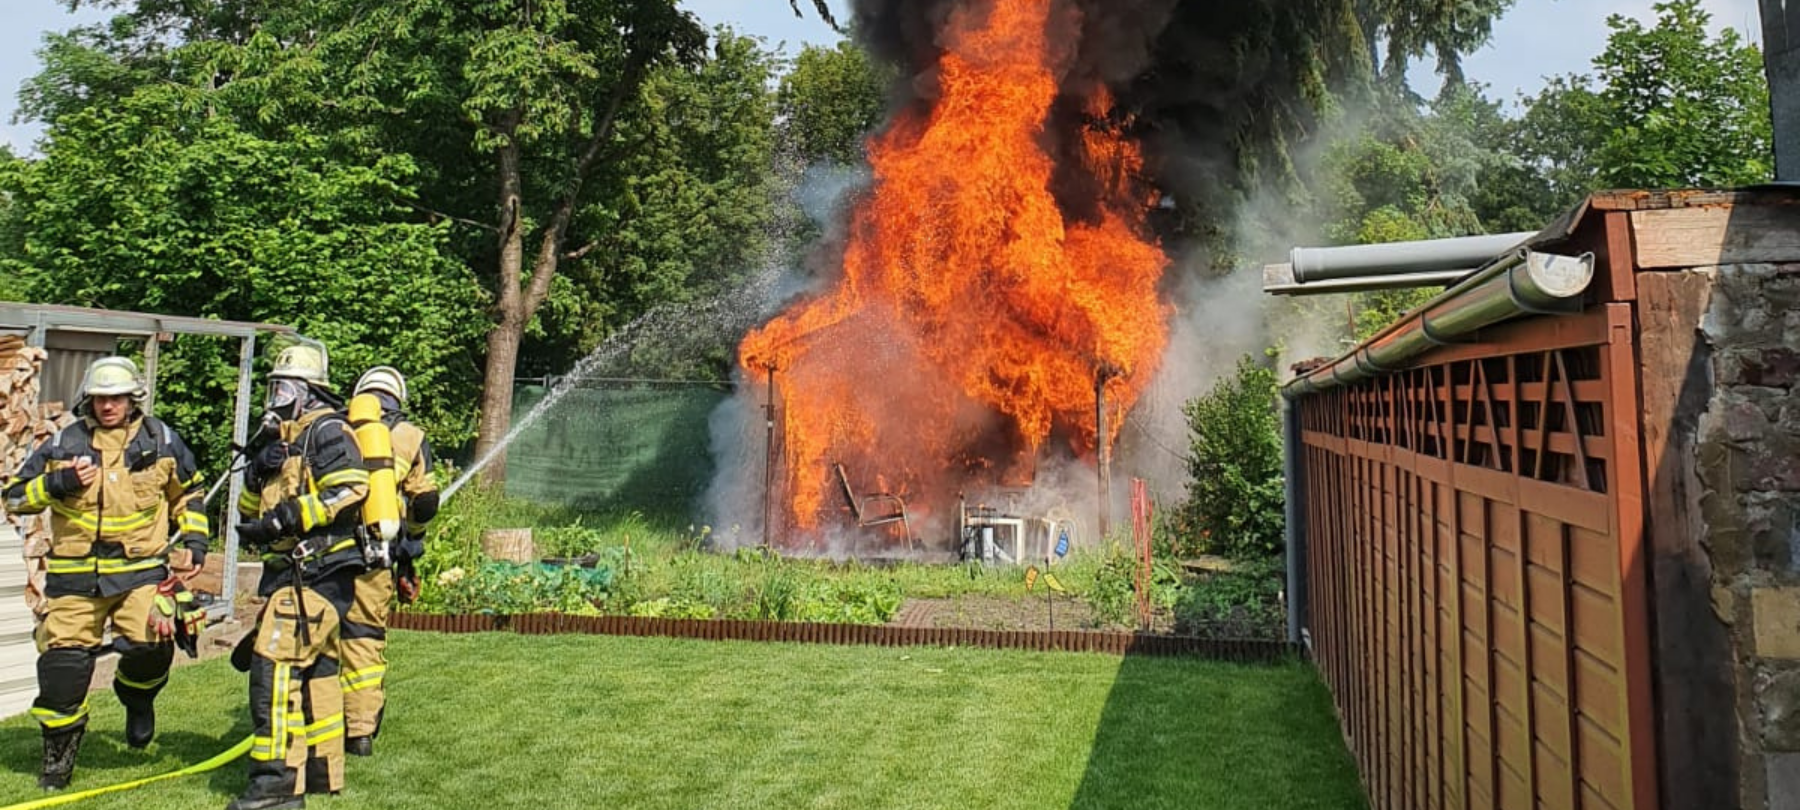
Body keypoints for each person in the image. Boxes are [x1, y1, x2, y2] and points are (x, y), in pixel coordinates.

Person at [3, 356, 208, 790]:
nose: (107, 406)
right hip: (74, 579)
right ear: (88, 400)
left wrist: (194, 542)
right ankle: (58, 762)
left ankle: (137, 699)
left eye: (115, 398)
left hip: (140, 573)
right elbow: (15, 497)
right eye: (99, 398)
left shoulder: (162, 440)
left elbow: (189, 495)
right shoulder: (63, 443)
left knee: (151, 644)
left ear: (133, 398)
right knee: (62, 668)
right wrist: (59, 484)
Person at [228, 343, 368, 810]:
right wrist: (255, 474)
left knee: (274, 669)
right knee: (318, 675)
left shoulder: (328, 431)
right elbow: (252, 513)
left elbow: (352, 490)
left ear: (308, 392)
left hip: (320, 569)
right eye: (273, 387)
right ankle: (320, 771)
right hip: (288, 574)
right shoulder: (279, 442)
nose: (275, 397)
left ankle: (274, 786)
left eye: (283, 387)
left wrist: (289, 517)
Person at [340, 365, 438, 757]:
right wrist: (410, 556)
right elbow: (423, 504)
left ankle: (307, 722)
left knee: (314, 636)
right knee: (363, 638)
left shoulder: (333, 425)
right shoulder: (411, 437)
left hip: (321, 554)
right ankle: (360, 731)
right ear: (399, 397)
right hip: (374, 555)